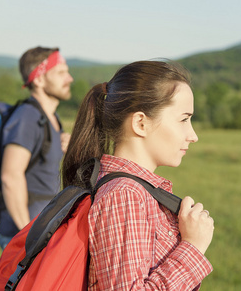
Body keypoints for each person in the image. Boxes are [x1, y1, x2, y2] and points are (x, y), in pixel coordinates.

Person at [61, 60, 214, 290]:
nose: (193, 135)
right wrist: (193, 246)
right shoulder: (124, 196)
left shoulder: (132, 191)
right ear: (141, 123)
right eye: (183, 119)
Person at [0, 46, 73, 250]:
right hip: (27, 237)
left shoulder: (50, 118)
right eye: (61, 72)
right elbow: (10, 176)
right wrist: (27, 235)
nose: (69, 78)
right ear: (38, 80)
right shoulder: (28, 117)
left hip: (43, 231)